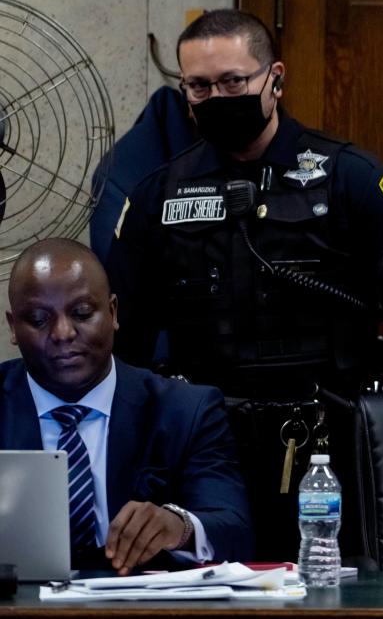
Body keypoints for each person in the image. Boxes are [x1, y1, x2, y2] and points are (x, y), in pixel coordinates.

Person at [105, 9, 383, 560]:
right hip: (206, 443)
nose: (216, 96)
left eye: (233, 81)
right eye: (198, 85)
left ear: (275, 78)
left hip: (327, 441)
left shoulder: (347, 175)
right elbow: (126, 340)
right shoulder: (158, 195)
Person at [0, 238, 251, 573]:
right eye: (38, 319)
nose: (62, 333)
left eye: (82, 313)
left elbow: (234, 530)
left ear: (113, 312)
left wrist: (180, 528)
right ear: (13, 326)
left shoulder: (185, 410)